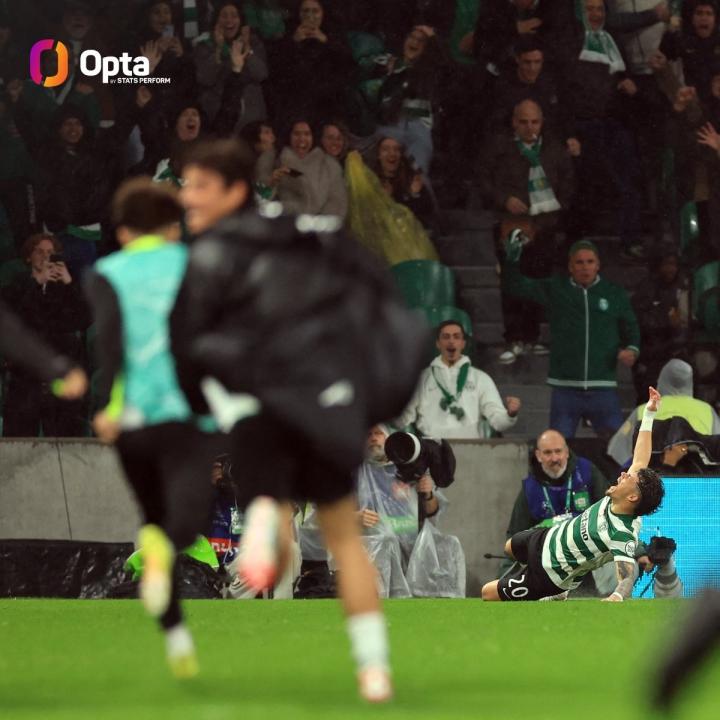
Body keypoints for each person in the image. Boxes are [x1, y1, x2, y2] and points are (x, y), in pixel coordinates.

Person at [169, 138, 430, 702]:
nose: (187, 196)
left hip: (271, 402)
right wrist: (375, 393)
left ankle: (265, 529)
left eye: (200, 186)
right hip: (333, 401)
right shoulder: (314, 232)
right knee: (343, 538)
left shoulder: (215, 255)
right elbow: (386, 305)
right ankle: (374, 670)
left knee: (275, 503)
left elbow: (190, 349)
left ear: (235, 190)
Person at [85, 177, 220, 679]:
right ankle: (162, 559)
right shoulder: (194, 267)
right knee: (186, 520)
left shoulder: (106, 272)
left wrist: (108, 406)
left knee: (154, 518)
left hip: (133, 416)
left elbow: (110, 347)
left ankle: (177, 639)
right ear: (172, 227)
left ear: (122, 231)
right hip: (185, 413)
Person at [482, 386, 665, 602]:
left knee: (487, 593)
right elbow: (641, 458)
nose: (624, 474)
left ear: (632, 497)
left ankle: (552, 591)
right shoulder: (618, 496)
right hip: (546, 538)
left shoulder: (622, 532)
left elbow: (625, 576)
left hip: (550, 575)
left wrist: (616, 596)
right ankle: (532, 579)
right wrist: (649, 414)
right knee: (509, 547)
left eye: (629, 478)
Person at [502, 237, 640, 439]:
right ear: (570, 266)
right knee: (559, 446)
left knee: (617, 448)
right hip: (565, 388)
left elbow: (631, 326)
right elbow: (516, 286)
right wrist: (512, 261)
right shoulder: (556, 289)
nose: (585, 267)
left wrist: (633, 348)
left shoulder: (614, 293)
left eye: (590, 262)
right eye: (579, 262)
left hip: (603, 386)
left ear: (598, 265)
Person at [488, 99, 576, 364]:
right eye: (524, 122)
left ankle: (532, 337)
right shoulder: (501, 148)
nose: (530, 128)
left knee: (538, 282)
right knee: (512, 282)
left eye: (535, 122)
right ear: (514, 123)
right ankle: (513, 338)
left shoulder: (554, 150)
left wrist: (555, 209)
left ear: (542, 122)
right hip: (511, 225)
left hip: (544, 226)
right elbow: (484, 180)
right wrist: (505, 200)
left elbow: (568, 183)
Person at [1, 233, 91, 437]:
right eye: (39, 251)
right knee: (20, 433)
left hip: (61, 365)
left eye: (50, 252)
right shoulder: (18, 284)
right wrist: (36, 281)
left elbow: (84, 319)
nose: (45, 256)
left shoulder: (65, 287)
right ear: (28, 257)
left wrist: (69, 283)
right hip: (25, 370)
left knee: (66, 431)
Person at [395, 320, 521, 439]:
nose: (451, 341)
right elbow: (403, 419)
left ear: (463, 343)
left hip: (472, 447)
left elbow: (498, 422)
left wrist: (510, 414)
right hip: (431, 448)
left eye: (456, 337)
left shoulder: (480, 378)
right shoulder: (422, 379)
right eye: (446, 337)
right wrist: (390, 406)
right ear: (438, 343)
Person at [608, 358, 720, 464]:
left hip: (652, 474)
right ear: (690, 381)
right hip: (699, 474)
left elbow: (618, 450)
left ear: (661, 379)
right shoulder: (707, 411)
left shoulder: (644, 410)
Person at [506, 429, 610, 538]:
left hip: (587, 542)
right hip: (547, 546)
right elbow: (515, 535)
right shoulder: (530, 488)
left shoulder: (587, 471)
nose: (554, 458)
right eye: (547, 453)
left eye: (558, 451)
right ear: (538, 455)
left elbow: (608, 510)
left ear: (566, 452)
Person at [193, 0, 269, 130]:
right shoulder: (205, 45)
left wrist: (247, 49)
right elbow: (205, 78)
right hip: (218, 115)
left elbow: (261, 74)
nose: (229, 20)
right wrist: (218, 48)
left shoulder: (253, 42)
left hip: (252, 117)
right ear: (216, 20)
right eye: (224, 16)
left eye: (234, 16)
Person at [629, 246, 689, 402]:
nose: (671, 269)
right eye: (667, 264)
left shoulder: (682, 287)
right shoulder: (645, 289)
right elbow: (637, 320)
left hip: (675, 352)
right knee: (650, 402)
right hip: (650, 354)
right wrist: (666, 321)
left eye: (674, 264)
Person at [268, 119, 348, 218]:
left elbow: (337, 202)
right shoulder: (275, 161)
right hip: (285, 223)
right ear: (289, 136)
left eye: (307, 134)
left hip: (320, 224)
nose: (302, 139)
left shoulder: (329, 165)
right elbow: (260, 199)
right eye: (296, 134)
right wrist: (271, 183)